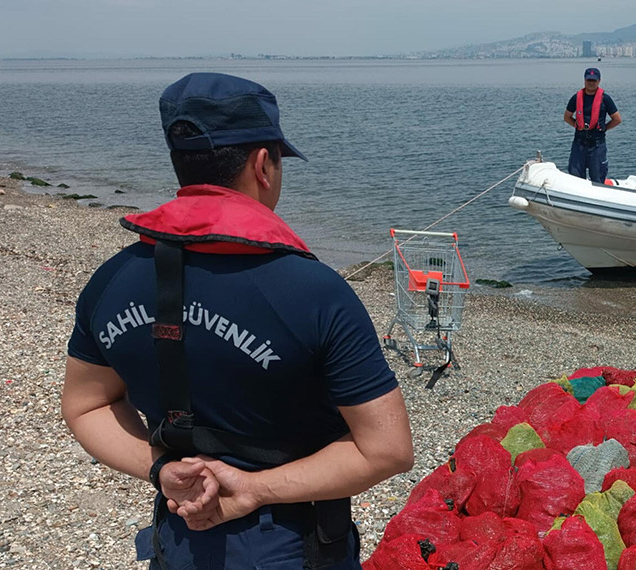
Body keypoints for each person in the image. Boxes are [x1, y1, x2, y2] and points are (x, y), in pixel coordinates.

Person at [61, 72, 414, 569]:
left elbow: (85, 406)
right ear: (263, 164)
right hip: (294, 543)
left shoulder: (112, 281)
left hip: (179, 533)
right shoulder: (315, 293)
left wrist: (163, 468)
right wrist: (252, 488)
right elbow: (388, 450)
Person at [564, 67, 622, 182]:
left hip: (597, 145)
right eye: (589, 80)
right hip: (579, 143)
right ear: (584, 80)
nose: (591, 83)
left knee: (598, 177)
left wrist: (604, 128)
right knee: (575, 177)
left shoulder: (605, 99)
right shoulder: (576, 98)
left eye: (594, 81)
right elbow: (567, 117)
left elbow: (617, 119)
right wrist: (577, 125)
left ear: (599, 81)